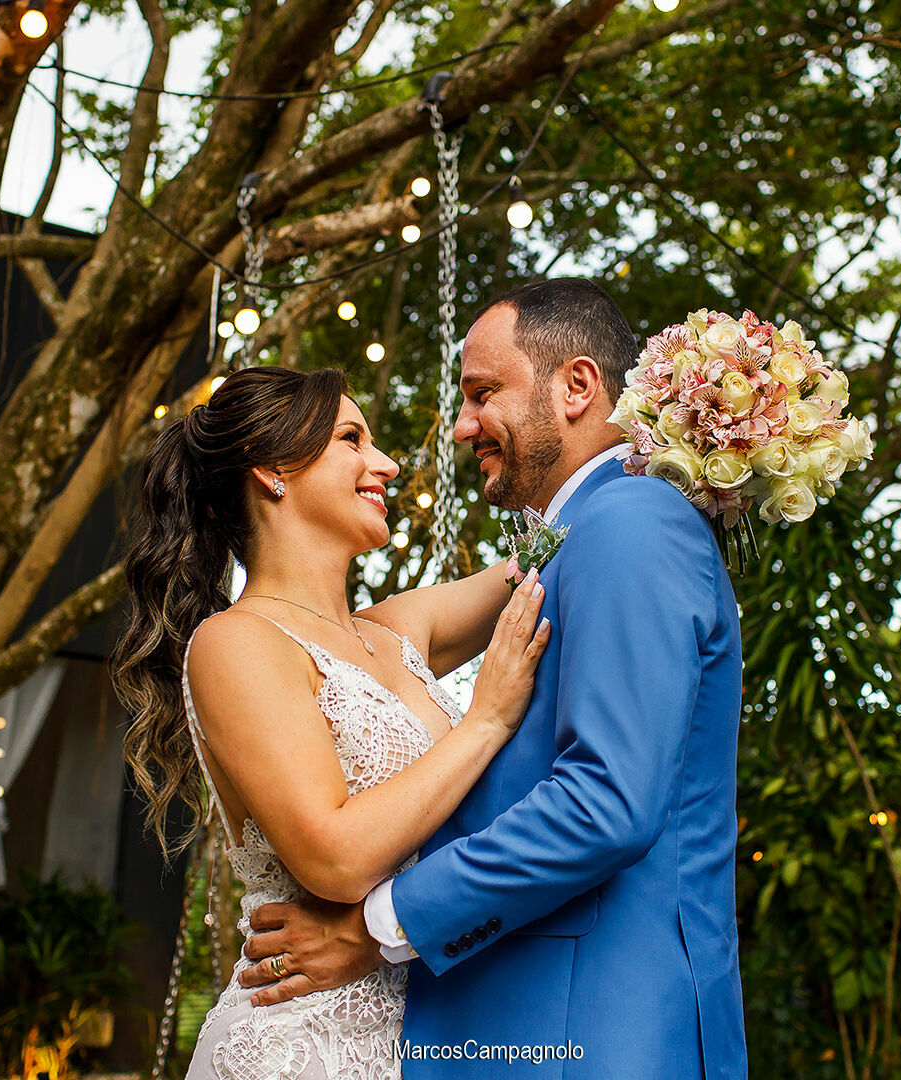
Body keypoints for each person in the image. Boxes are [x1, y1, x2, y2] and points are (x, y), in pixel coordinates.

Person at [236, 279, 748, 1078]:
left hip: (588, 1034)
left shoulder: (632, 525)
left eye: (481, 393)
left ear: (577, 386)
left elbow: (605, 803)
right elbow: (523, 569)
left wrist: (373, 928)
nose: (462, 426)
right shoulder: (580, 540)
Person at [111, 365, 553, 1080]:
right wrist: (484, 721)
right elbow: (335, 858)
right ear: (272, 470)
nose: (385, 463)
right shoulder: (235, 642)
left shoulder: (399, 630)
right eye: (352, 438)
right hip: (299, 1046)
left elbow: (549, 557)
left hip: (425, 1031)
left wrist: (684, 432)